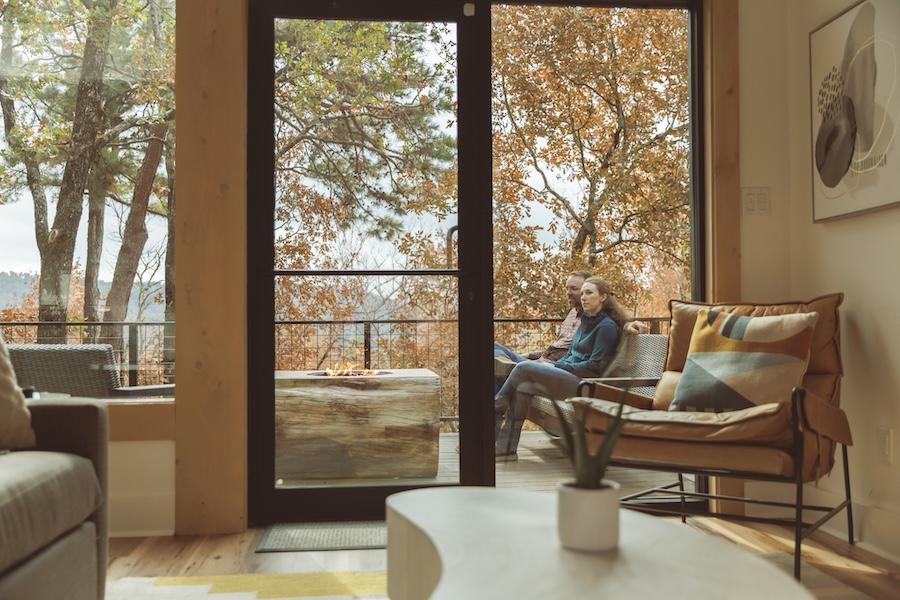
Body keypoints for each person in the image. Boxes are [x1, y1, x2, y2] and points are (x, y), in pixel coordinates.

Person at [494, 276, 630, 459]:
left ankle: (495, 409)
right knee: (523, 387)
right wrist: (553, 364)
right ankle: (506, 448)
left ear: (603, 296)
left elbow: (594, 366)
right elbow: (570, 354)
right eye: (582, 293)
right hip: (567, 375)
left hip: (583, 384)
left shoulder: (606, 327)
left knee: (524, 369)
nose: (583, 297)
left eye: (589, 293)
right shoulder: (585, 322)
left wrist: (555, 365)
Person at [494, 271, 592, 364]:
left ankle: (511, 368)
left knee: (506, 367)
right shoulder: (572, 314)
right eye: (567, 288)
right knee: (495, 347)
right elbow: (555, 348)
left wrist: (548, 364)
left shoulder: (593, 321)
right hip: (541, 361)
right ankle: (510, 367)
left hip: (553, 367)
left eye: (574, 288)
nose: (568, 293)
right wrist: (529, 355)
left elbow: (574, 355)